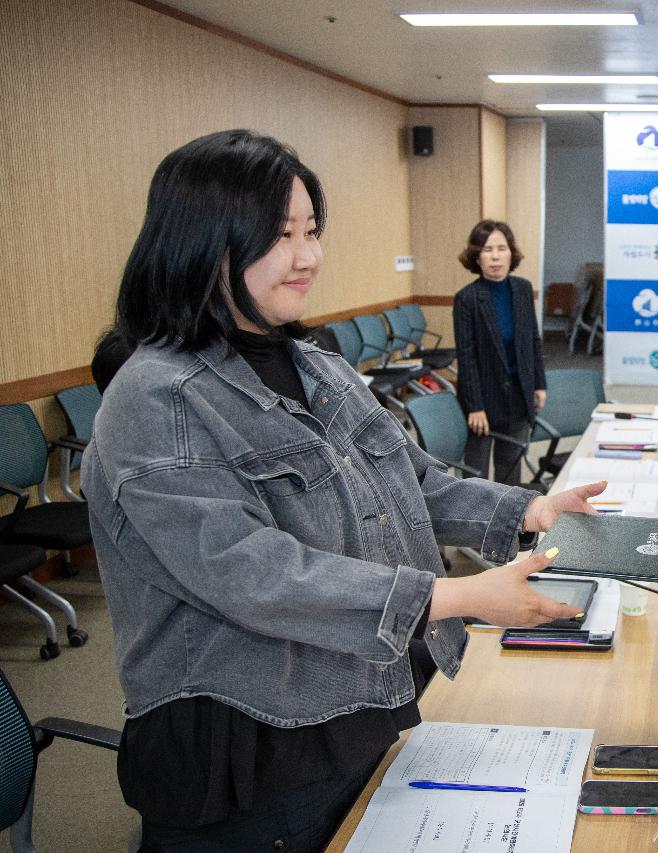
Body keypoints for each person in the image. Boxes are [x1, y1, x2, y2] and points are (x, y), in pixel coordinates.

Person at [80, 129, 603, 852]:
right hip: (247, 755)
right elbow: (251, 570)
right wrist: (452, 596)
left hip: (357, 705)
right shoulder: (155, 397)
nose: (307, 256)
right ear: (203, 241)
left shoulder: (311, 361)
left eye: (311, 230)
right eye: (279, 234)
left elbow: (407, 477)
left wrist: (528, 508)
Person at [453, 221, 547, 485]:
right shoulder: (467, 298)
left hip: (519, 395)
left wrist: (539, 383)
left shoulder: (523, 289)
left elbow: (533, 339)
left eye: (501, 248)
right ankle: (472, 526)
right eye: (487, 249)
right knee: (476, 475)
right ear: (477, 257)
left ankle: (508, 524)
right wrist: (475, 406)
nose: (495, 256)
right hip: (483, 399)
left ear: (511, 253)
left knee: (510, 472)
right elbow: (467, 355)